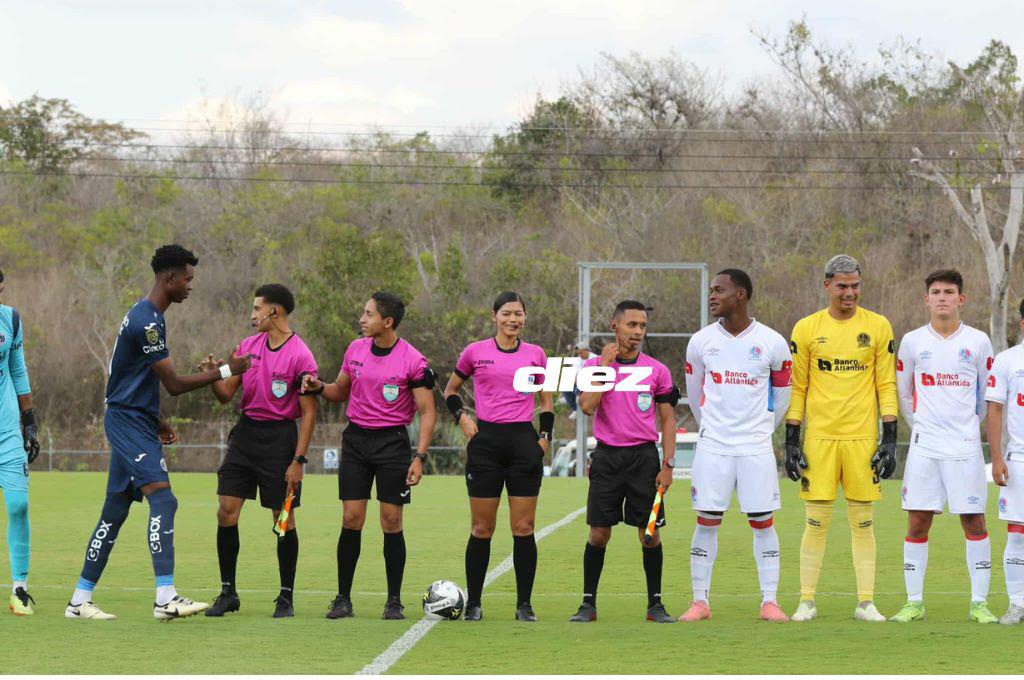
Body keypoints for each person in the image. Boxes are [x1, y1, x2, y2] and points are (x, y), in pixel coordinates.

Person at [65, 245, 250, 621]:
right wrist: (229, 371)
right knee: (164, 501)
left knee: (114, 511)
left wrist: (156, 417)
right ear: (169, 278)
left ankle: (79, 601)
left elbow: (136, 376)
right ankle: (165, 597)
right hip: (126, 422)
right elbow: (176, 383)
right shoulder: (147, 321)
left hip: (134, 418)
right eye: (187, 278)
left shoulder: (146, 314)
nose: (190, 286)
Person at [304, 292, 436, 621]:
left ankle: (394, 601)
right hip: (356, 441)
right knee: (351, 519)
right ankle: (342, 599)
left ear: (387, 322)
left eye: (368, 314)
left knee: (391, 521)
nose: (362, 319)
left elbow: (427, 411)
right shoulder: (355, 349)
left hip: (392, 444)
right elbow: (339, 391)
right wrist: (319, 386)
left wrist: (419, 456)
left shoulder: (413, 360)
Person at [785, 254, 897, 622]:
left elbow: (886, 383)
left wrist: (890, 436)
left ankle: (866, 602)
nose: (850, 293)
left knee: (863, 522)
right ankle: (806, 601)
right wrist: (791, 439)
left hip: (862, 438)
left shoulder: (879, 326)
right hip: (819, 439)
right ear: (827, 285)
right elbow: (798, 386)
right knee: (815, 522)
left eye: (855, 286)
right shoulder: (806, 328)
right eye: (842, 286)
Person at [680, 269, 792, 623]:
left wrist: (760, 429)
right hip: (714, 445)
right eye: (711, 290)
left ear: (740, 294)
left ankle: (770, 601)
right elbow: (695, 395)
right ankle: (700, 601)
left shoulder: (772, 342)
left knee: (762, 520)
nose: (712, 296)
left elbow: (783, 395)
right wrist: (714, 426)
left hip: (755, 447)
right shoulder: (700, 342)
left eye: (719, 290)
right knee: (707, 520)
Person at [202, 284, 318, 619]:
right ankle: (228, 593)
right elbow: (225, 394)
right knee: (226, 511)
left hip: (280, 440)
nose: (252, 316)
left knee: (283, 520)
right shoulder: (247, 348)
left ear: (275, 311)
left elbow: (309, 414)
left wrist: (298, 460)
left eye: (257, 309)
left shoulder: (301, 355)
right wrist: (212, 373)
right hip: (245, 435)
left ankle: (285, 597)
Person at [891, 270, 996, 623]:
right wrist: (919, 423)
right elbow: (903, 391)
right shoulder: (912, 341)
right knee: (918, 522)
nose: (942, 298)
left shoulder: (979, 341)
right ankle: (914, 602)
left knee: (974, 521)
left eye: (949, 292)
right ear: (926, 299)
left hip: (964, 447)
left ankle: (979, 603)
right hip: (925, 448)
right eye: (935, 292)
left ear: (961, 299)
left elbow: (986, 396)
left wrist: (968, 427)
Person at [443, 291, 553, 622]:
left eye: (518, 314)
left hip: (523, 443)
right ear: (494, 316)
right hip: (486, 443)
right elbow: (449, 391)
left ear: (524, 317)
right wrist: (463, 417)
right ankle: (474, 602)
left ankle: (524, 605)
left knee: (524, 526)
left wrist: (543, 441)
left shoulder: (536, 354)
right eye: (506, 314)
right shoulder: (475, 352)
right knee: (481, 527)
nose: (512, 320)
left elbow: (546, 403)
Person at [568, 300, 679, 624]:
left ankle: (655, 605)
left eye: (642, 326)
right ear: (615, 326)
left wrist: (668, 465)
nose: (638, 332)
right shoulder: (593, 369)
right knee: (599, 534)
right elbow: (587, 407)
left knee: (649, 534)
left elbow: (668, 420)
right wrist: (605, 365)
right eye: (632, 325)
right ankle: (588, 604)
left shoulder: (657, 370)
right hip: (607, 457)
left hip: (644, 458)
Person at [0, 269, 40, 615]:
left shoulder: (10, 319)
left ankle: (19, 588)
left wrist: (30, 423)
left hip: (7, 431)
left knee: (18, 506)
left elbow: (17, 369)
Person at [983, 299, 1024, 625]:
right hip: (1019, 459)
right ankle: (1018, 604)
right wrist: (996, 457)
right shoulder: (1007, 361)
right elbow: (994, 410)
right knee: (1017, 534)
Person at [563, 341, 593, 419]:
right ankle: (574, 408)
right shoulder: (578, 360)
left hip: (590, 383)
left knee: (579, 386)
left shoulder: (594, 358)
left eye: (581, 353)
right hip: (579, 381)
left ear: (587, 350)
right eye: (578, 353)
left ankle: (577, 396)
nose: (579, 355)